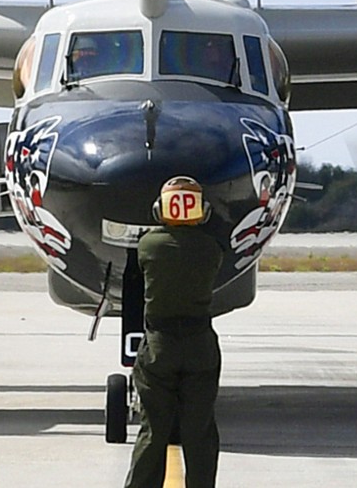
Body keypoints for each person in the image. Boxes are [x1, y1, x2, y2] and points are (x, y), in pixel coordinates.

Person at [125, 176, 224, 488]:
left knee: (153, 429)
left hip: (160, 345)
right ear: (201, 210)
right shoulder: (210, 249)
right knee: (200, 431)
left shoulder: (148, 245)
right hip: (199, 344)